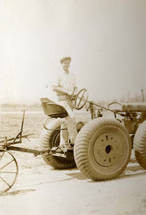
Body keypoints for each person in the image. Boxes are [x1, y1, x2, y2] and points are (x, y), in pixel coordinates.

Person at [52, 57, 77, 151]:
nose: (66, 65)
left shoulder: (72, 75)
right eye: (65, 63)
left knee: (65, 123)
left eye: (68, 63)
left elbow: (75, 87)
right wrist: (66, 91)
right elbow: (54, 87)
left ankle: (65, 145)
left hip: (70, 101)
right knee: (71, 119)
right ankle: (76, 143)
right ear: (61, 64)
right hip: (62, 100)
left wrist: (74, 95)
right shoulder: (58, 75)